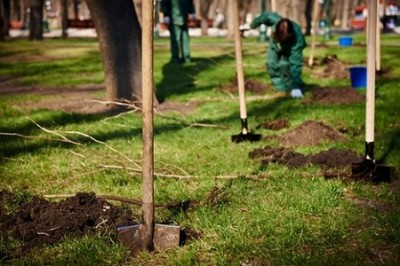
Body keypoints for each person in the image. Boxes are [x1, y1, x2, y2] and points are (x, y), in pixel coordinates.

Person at [250, 12, 307, 98]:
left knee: (284, 65)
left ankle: (290, 88)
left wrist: (296, 87)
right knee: (271, 63)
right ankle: (281, 88)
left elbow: (295, 65)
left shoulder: (297, 40)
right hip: (274, 46)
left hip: (289, 48)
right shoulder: (275, 20)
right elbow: (266, 16)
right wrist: (252, 25)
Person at [161, 0, 196, 64]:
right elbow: (164, 3)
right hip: (174, 18)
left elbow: (190, 3)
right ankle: (175, 58)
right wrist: (166, 15)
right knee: (175, 40)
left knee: (185, 39)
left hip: (184, 18)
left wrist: (192, 12)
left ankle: (186, 57)